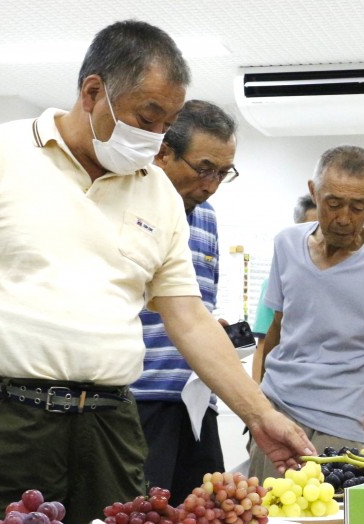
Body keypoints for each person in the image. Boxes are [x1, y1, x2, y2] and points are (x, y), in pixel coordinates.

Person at [0, 20, 313, 524]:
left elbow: (188, 319)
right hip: (8, 417)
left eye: (167, 122)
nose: (156, 137)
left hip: (112, 424)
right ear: (93, 91)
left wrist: (260, 414)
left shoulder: (159, 194)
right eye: (147, 116)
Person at [249, 146, 364, 479]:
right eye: (333, 203)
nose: (344, 218)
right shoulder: (286, 244)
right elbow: (276, 329)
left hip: (343, 422)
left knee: (334, 523)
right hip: (278, 410)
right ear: (314, 192)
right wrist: (255, 408)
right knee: (269, 515)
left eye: (359, 207)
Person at [131, 100, 238, 502]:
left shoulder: (206, 217)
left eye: (222, 173)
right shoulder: (129, 204)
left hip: (197, 402)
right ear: (163, 152)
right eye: (204, 169)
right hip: (140, 400)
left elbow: (197, 309)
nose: (210, 184)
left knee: (210, 522)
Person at [251, 194, 316, 384]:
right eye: (310, 228)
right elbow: (263, 345)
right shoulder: (274, 282)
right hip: (285, 387)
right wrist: (258, 397)